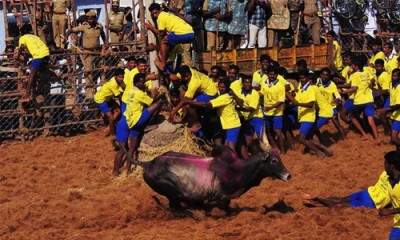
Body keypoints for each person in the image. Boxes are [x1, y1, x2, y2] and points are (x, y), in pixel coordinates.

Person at [303, 151, 400, 240]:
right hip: (370, 195)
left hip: (370, 198)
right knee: (341, 201)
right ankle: (317, 200)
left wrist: (389, 210)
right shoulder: (390, 175)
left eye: (385, 164)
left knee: (341, 202)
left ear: (391, 166)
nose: (384, 166)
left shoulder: (391, 178)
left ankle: (317, 200)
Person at [113, 73, 164, 176]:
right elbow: (151, 101)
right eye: (142, 83)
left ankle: (116, 171)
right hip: (135, 121)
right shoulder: (140, 94)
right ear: (136, 83)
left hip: (125, 120)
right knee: (131, 148)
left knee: (123, 150)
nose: (143, 84)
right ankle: (127, 171)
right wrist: (154, 95)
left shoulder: (131, 91)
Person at [184, 78, 241, 151]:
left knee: (231, 147)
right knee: (227, 148)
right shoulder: (224, 95)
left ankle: (236, 162)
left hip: (232, 125)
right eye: (220, 86)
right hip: (227, 125)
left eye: (223, 87)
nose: (221, 89)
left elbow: (207, 104)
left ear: (227, 88)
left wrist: (190, 102)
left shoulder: (225, 97)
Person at [65, 10, 108, 100]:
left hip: (98, 52)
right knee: (88, 71)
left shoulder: (99, 27)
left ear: (95, 19)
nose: (89, 21)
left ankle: (102, 89)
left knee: (101, 70)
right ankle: (90, 94)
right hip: (87, 53)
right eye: (88, 19)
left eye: (91, 19)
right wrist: (66, 37)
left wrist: (105, 42)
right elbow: (71, 30)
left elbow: (103, 34)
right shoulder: (84, 27)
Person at [145, 3, 195, 71]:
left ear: (160, 9)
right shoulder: (168, 15)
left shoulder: (161, 17)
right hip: (191, 33)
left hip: (183, 33)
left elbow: (161, 33)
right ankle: (164, 60)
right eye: (153, 14)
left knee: (163, 41)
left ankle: (163, 64)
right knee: (168, 42)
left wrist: (151, 28)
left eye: (155, 13)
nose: (155, 15)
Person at [168, 66, 218, 133]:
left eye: (187, 76)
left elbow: (184, 101)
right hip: (203, 90)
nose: (186, 78)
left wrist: (173, 112)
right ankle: (186, 117)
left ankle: (197, 124)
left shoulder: (194, 82)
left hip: (210, 93)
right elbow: (175, 76)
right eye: (184, 77)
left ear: (189, 72)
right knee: (183, 94)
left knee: (188, 105)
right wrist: (166, 75)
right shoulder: (188, 69)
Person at [14, 24, 50, 103]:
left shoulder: (22, 38)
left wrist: (18, 55)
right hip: (46, 54)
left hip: (39, 56)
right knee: (35, 71)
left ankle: (27, 95)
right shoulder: (35, 37)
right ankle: (35, 91)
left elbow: (22, 46)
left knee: (31, 75)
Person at [259, 67, 286, 154]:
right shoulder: (264, 83)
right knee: (269, 132)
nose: (272, 76)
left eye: (274, 74)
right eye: (270, 74)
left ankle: (283, 150)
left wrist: (270, 107)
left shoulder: (280, 86)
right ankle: (275, 147)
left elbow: (281, 101)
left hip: (277, 112)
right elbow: (262, 93)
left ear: (277, 75)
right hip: (267, 112)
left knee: (278, 132)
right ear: (267, 75)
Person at [94, 68, 125, 136]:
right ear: (115, 76)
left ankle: (109, 126)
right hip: (100, 99)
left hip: (107, 98)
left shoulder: (119, 81)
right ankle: (112, 133)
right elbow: (120, 97)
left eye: (122, 77)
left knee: (117, 111)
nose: (121, 79)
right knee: (111, 117)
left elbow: (124, 87)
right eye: (120, 77)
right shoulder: (113, 84)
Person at [317, 68, 345, 139]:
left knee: (337, 125)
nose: (324, 76)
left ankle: (344, 138)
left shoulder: (332, 85)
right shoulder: (317, 82)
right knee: (316, 125)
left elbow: (337, 94)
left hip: (331, 107)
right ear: (320, 75)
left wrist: (338, 99)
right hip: (321, 108)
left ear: (329, 76)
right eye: (323, 75)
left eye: (326, 75)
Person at [377, 69, 400, 152]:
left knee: (394, 138)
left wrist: (386, 109)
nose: (393, 77)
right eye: (392, 75)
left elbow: (399, 105)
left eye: (395, 76)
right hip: (396, 115)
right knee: (393, 138)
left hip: (399, 116)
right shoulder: (391, 85)